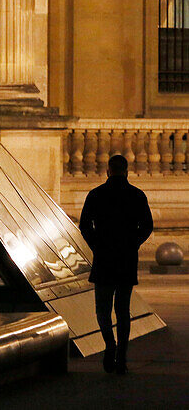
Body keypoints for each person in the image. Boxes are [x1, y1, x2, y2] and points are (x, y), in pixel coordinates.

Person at [79, 153, 153, 374]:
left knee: (102, 309)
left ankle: (109, 345)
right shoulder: (137, 195)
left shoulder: (96, 194)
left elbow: (84, 225)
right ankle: (122, 355)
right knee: (123, 309)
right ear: (127, 171)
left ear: (108, 171)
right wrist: (133, 243)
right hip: (126, 258)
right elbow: (147, 226)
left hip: (104, 258)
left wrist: (96, 245)